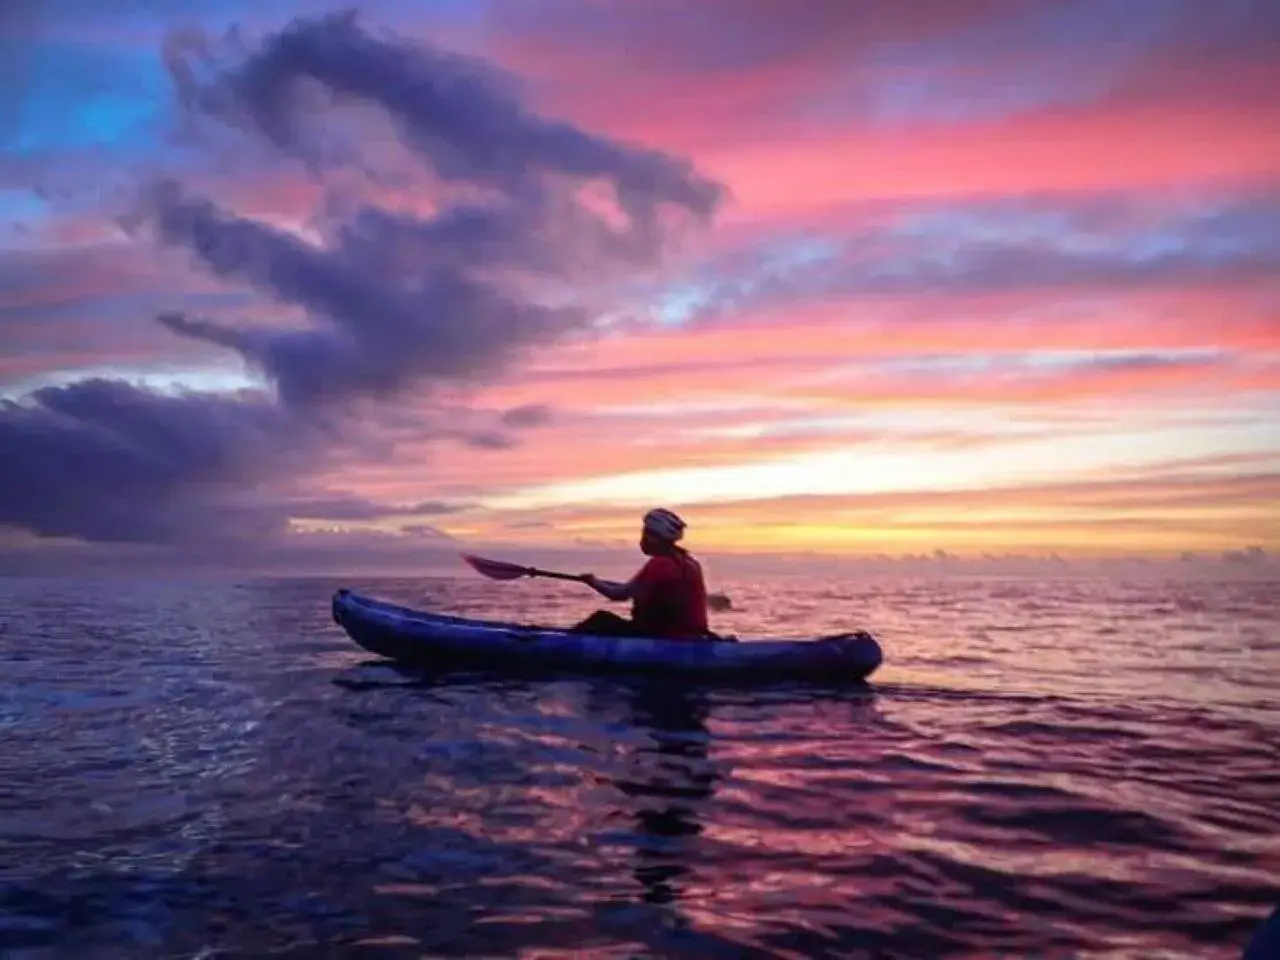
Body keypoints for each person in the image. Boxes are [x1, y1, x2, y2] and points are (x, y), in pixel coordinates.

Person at [573, 508, 711, 640]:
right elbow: (633, 588)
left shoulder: (660, 564)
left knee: (600, 620)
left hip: (663, 636)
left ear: (657, 537)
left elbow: (620, 594)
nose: (643, 539)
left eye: (646, 534)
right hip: (692, 634)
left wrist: (593, 582)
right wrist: (597, 581)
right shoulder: (690, 562)